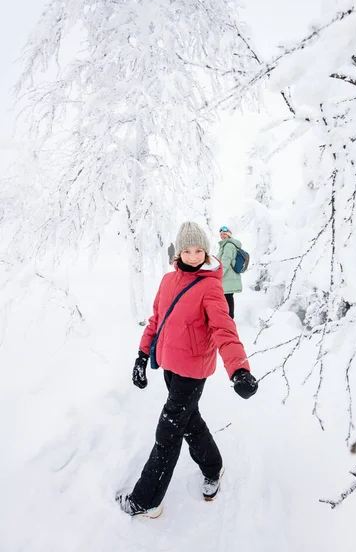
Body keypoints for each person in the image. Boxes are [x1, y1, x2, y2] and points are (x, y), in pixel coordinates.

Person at [116, 221, 258, 518]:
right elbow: (156, 320)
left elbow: (224, 329)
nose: (193, 256)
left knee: (168, 430)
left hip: (193, 371)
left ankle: (146, 500)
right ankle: (213, 468)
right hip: (170, 366)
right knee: (189, 420)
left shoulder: (210, 287)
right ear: (179, 251)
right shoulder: (168, 281)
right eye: (187, 250)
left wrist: (239, 370)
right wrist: (142, 355)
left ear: (206, 252)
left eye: (198, 250)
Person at [216, 226, 242, 319]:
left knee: (227, 297)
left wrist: (219, 275)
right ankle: (228, 317)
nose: (222, 236)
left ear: (229, 235)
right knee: (228, 297)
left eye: (224, 234)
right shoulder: (227, 245)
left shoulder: (228, 245)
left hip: (227, 276)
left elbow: (225, 262)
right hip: (229, 276)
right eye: (221, 234)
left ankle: (229, 318)